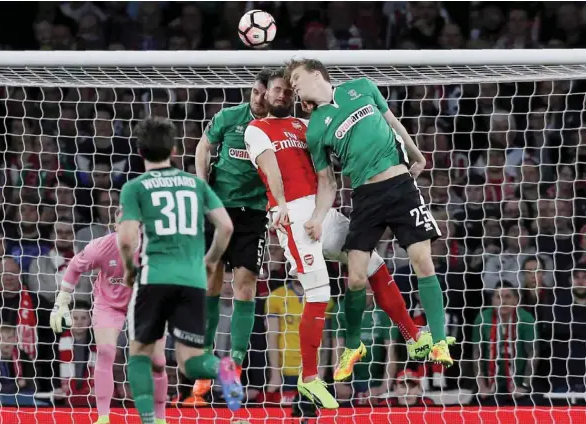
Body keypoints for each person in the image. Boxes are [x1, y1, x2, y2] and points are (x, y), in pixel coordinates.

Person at [244, 69, 451, 399]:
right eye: (277, 90)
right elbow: (270, 167)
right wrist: (281, 203)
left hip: (324, 212)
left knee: (371, 267)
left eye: (288, 90)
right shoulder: (256, 129)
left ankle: (414, 336)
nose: (284, 95)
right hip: (295, 217)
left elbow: (327, 179)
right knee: (318, 294)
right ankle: (308, 379)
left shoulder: (306, 126)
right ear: (265, 96)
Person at [117, 116, 241, 423]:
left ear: (140, 151)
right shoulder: (195, 184)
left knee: (140, 354)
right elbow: (225, 226)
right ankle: (221, 368)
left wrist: (130, 272)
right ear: (174, 149)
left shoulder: (135, 187)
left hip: (155, 277)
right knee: (190, 362)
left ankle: (150, 419)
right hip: (193, 280)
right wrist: (211, 260)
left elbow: (126, 239)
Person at [193, 69, 272, 396]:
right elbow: (203, 147)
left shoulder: (275, 128)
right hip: (219, 208)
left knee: (245, 287)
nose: (258, 98)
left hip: (253, 213)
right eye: (255, 92)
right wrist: (201, 183)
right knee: (211, 280)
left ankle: (235, 365)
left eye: (264, 94)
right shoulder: (228, 117)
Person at [49, 213, 168, 424]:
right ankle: (103, 416)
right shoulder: (101, 247)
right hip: (108, 305)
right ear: (115, 225)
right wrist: (62, 302)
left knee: (157, 361)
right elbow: (75, 267)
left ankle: (160, 417)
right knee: (105, 351)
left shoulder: (156, 246)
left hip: (145, 305)